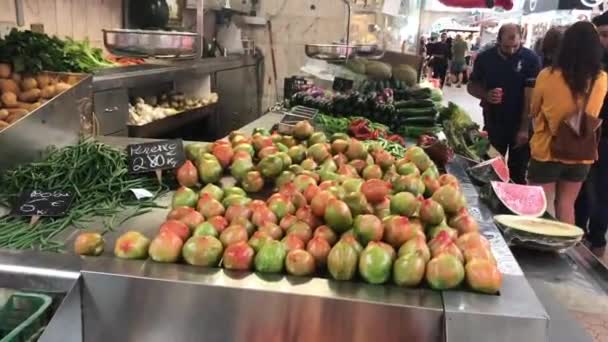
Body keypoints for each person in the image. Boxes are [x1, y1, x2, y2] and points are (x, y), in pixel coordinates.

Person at [529, 21, 608, 226]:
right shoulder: (602, 79)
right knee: (566, 205)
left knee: (542, 207)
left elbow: (534, 110)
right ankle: (564, 253)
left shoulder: (547, 75)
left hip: (547, 149)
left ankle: (538, 252)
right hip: (581, 152)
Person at [467, 24, 541, 184]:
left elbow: (531, 96)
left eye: (516, 46)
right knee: (490, 168)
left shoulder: (531, 59)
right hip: (493, 122)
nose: (512, 51)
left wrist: (524, 128)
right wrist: (486, 94)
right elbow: (471, 86)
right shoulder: (485, 58)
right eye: (507, 47)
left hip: (520, 123)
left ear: (521, 39)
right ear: (498, 41)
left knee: (518, 173)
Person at [575, 12, 608, 259]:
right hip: (586, 135)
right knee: (583, 186)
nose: (602, 41)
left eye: (606, 35)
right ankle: (579, 233)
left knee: (601, 190)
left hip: (604, 137)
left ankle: (597, 239)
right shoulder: (589, 63)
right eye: (599, 36)